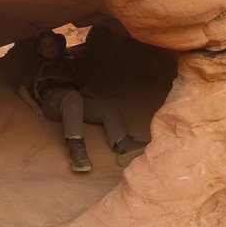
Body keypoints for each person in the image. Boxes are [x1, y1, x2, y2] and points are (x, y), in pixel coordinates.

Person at [16, 29, 147, 172]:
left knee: (107, 109)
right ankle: (76, 151)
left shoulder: (68, 64)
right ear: (39, 50)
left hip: (74, 102)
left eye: (52, 44)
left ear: (57, 46)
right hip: (51, 101)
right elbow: (22, 89)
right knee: (73, 96)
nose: (49, 48)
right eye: (45, 45)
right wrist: (34, 105)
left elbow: (82, 88)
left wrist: (96, 100)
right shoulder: (36, 65)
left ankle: (124, 145)